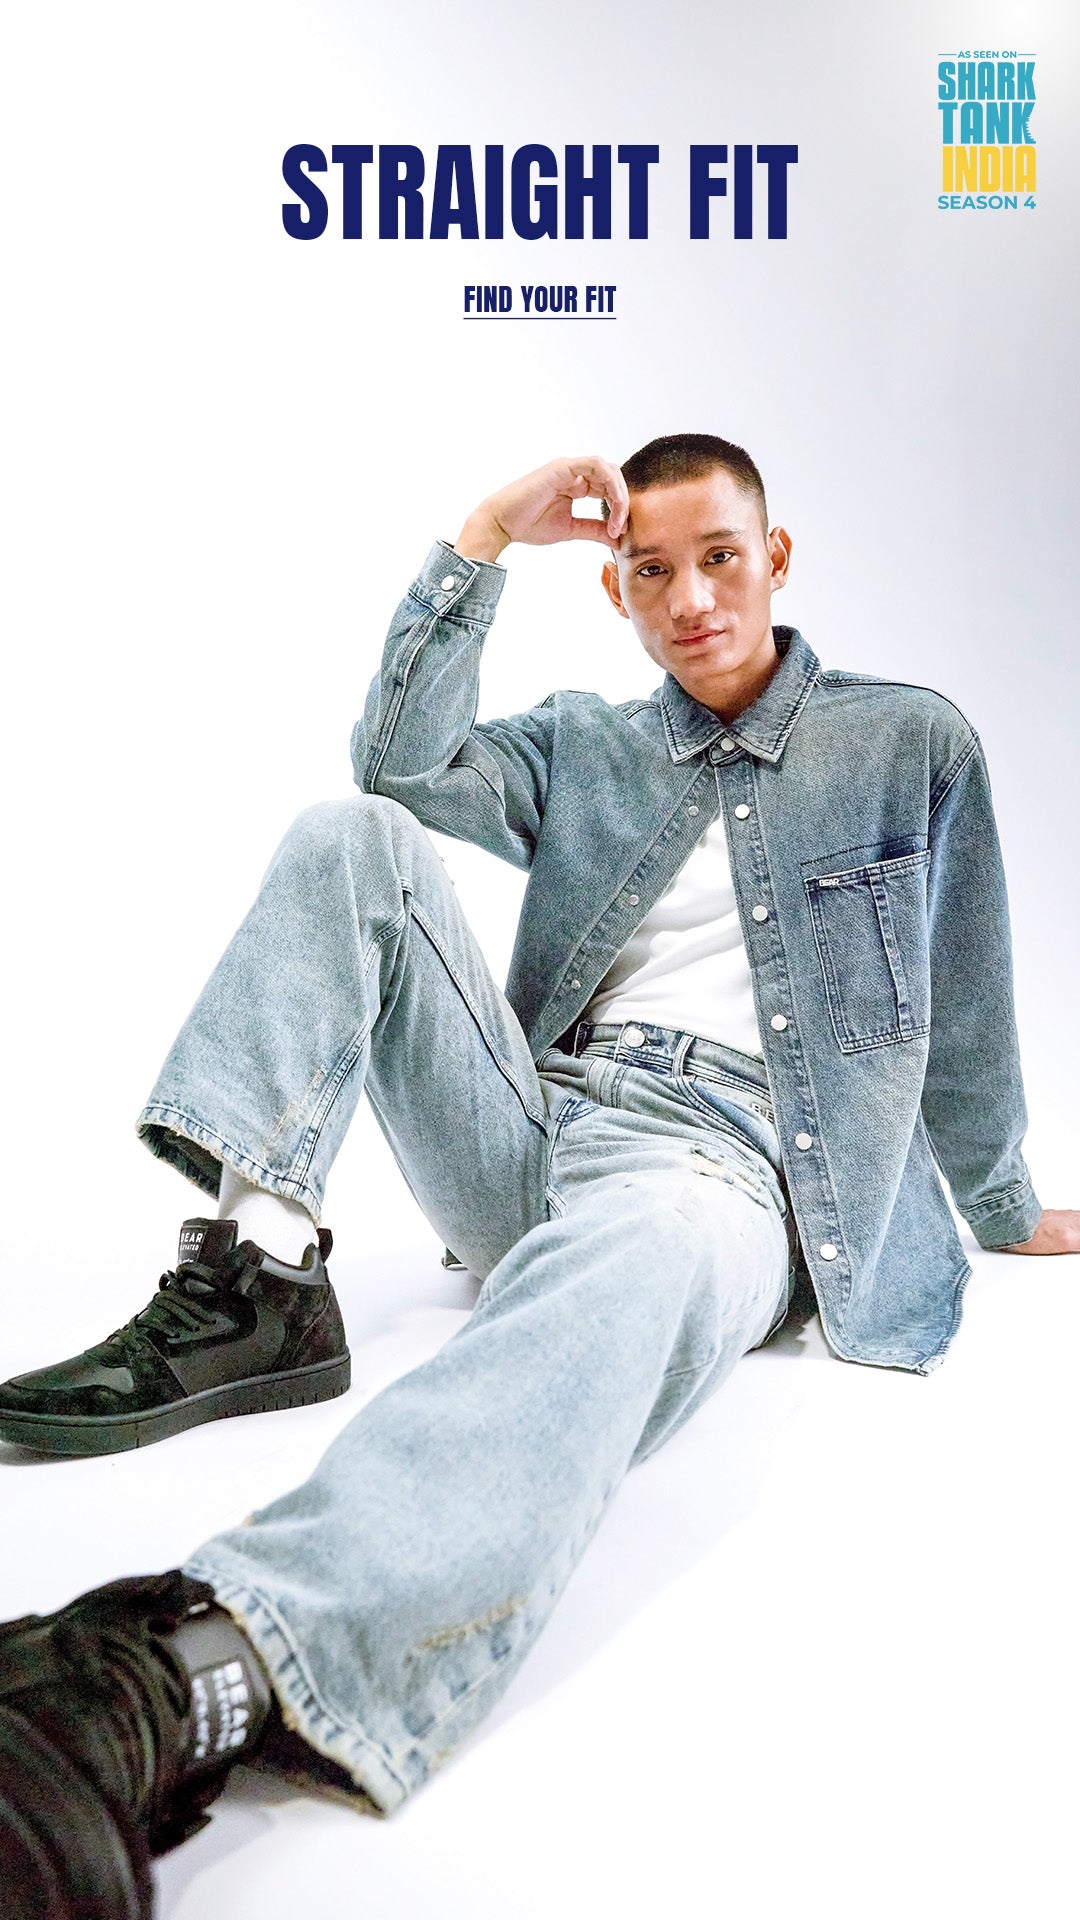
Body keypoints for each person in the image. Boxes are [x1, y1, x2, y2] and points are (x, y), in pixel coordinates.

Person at [1, 437, 1076, 1918]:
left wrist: (1002, 1203)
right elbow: (398, 769)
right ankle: (261, 1277)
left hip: (727, 1166)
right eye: (652, 571)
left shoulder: (909, 742)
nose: (691, 599)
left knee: (641, 1250)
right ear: (616, 593)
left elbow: (968, 991)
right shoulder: (589, 742)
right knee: (353, 835)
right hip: (536, 1122)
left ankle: (202, 1666)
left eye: (720, 558)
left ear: (776, 556)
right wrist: (481, 540)